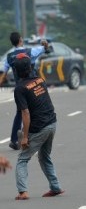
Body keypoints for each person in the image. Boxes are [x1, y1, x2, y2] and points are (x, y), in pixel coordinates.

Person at [13, 53, 64, 200]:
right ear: (30, 68)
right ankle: (55, 187)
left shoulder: (20, 88)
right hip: (52, 123)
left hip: (39, 127)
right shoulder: (40, 80)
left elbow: (25, 113)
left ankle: (23, 191)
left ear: (16, 71)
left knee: (22, 159)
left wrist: (25, 137)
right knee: (44, 156)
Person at [0, 32, 49, 150]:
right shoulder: (29, 52)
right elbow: (44, 48)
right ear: (21, 40)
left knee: (20, 113)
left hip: (19, 88)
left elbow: (4, 73)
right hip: (31, 86)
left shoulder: (9, 56)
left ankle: (14, 139)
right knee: (34, 111)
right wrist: (44, 44)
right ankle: (31, 137)